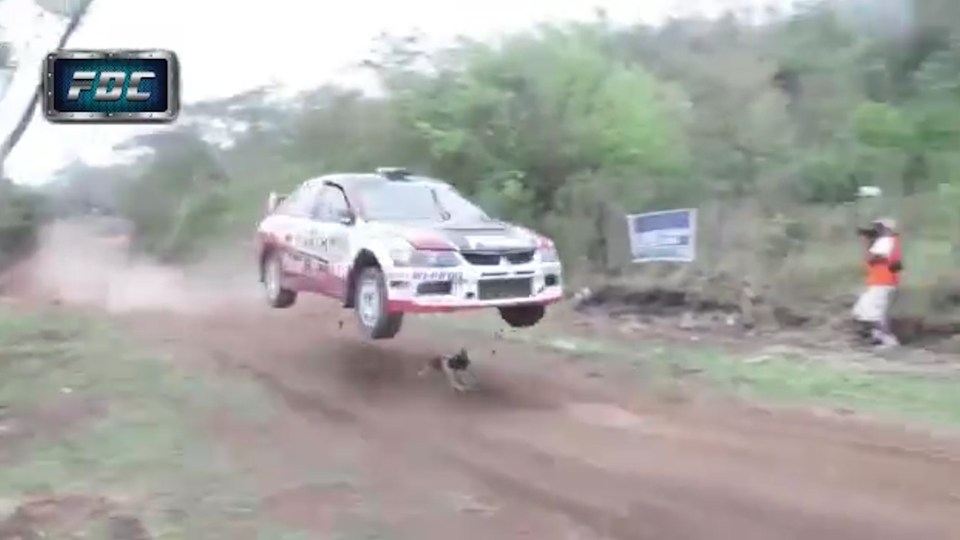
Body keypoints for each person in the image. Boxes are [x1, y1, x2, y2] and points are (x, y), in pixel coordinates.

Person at [852, 218, 903, 349]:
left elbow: (869, 258)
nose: (876, 229)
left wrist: (865, 243)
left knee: (872, 312)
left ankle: (887, 340)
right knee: (869, 310)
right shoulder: (891, 241)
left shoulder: (885, 241)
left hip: (881, 282)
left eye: (879, 226)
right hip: (884, 282)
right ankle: (878, 337)